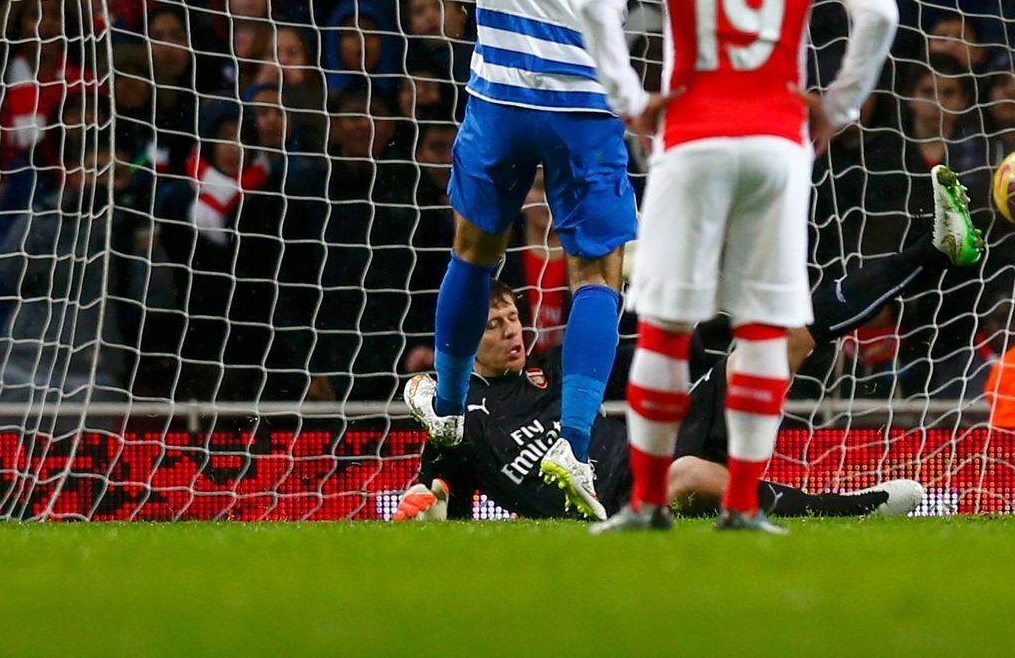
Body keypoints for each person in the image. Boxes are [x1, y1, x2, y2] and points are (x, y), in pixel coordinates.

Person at [220, 0, 660, 521]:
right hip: (583, 108)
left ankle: (450, 407)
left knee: (472, 251)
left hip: (498, 99)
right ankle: (576, 446)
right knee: (598, 275)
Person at [576, 0, 900, 532]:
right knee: (761, 322)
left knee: (663, 323)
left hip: (690, 134)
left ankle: (648, 501)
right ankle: (746, 502)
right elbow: (878, 10)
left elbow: (597, 1)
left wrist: (629, 97)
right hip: (777, 141)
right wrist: (838, 105)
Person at [394, 196, 979, 522]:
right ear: (463, 343)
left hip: (655, 442)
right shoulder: (456, 416)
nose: (512, 332)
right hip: (622, 496)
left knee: (780, 340)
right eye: (494, 327)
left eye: (512, 318)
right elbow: (441, 501)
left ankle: (934, 250)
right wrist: (428, 500)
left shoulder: (552, 371)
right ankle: (851, 512)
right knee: (692, 479)